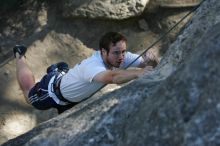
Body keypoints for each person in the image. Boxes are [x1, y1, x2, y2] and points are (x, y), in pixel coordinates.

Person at [14, 32, 159, 114]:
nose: (121, 57)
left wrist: (150, 60)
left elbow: (145, 63)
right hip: (52, 92)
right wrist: (137, 73)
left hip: (70, 99)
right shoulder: (93, 65)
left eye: (123, 51)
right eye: (116, 53)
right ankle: (20, 55)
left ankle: (59, 70)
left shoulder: (121, 58)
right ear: (103, 51)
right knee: (28, 94)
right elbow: (112, 77)